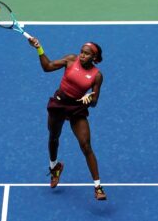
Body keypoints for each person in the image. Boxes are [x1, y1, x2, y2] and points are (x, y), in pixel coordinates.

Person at [28, 37, 106, 200]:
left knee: (86, 145)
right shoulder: (71, 60)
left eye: (86, 54)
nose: (82, 56)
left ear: (94, 58)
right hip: (59, 103)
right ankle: (54, 167)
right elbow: (47, 67)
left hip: (77, 108)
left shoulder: (96, 76)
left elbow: (95, 101)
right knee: (53, 137)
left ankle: (98, 187)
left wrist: (89, 99)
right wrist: (39, 48)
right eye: (81, 52)